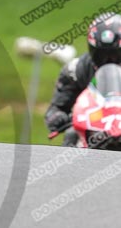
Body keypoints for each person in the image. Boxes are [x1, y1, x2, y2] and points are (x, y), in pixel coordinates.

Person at [45, 12, 121, 145]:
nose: (109, 60)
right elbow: (56, 108)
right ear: (91, 50)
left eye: (116, 54)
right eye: (101, 54)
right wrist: (57, 118)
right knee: (71, 134)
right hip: (94, 129)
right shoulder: (76, 70)